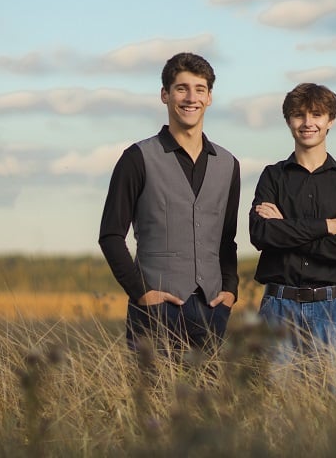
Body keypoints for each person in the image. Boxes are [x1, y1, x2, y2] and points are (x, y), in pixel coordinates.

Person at [99, 53, 240, 356]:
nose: (191, 98)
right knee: (151, 402)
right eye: (181, 88)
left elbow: (227, 239)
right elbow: (111, 235)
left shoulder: (229, 164)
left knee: (210, 403)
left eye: (200, 89)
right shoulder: (137, 158)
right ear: (165, 94)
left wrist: (231, 291)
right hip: (153, 312)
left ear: (210, 98)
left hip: (212, 311)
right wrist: (140, 294)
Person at [249, 83, 336, 366]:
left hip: (333, 308)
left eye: (316, 114)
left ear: (331, 121)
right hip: (277, 306)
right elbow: (261, 234)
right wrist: (325, 226)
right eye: (299, 115)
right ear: (288, 121)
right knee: (275, 403)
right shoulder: (272, 176)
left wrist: (286, 228)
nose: (307, 123)